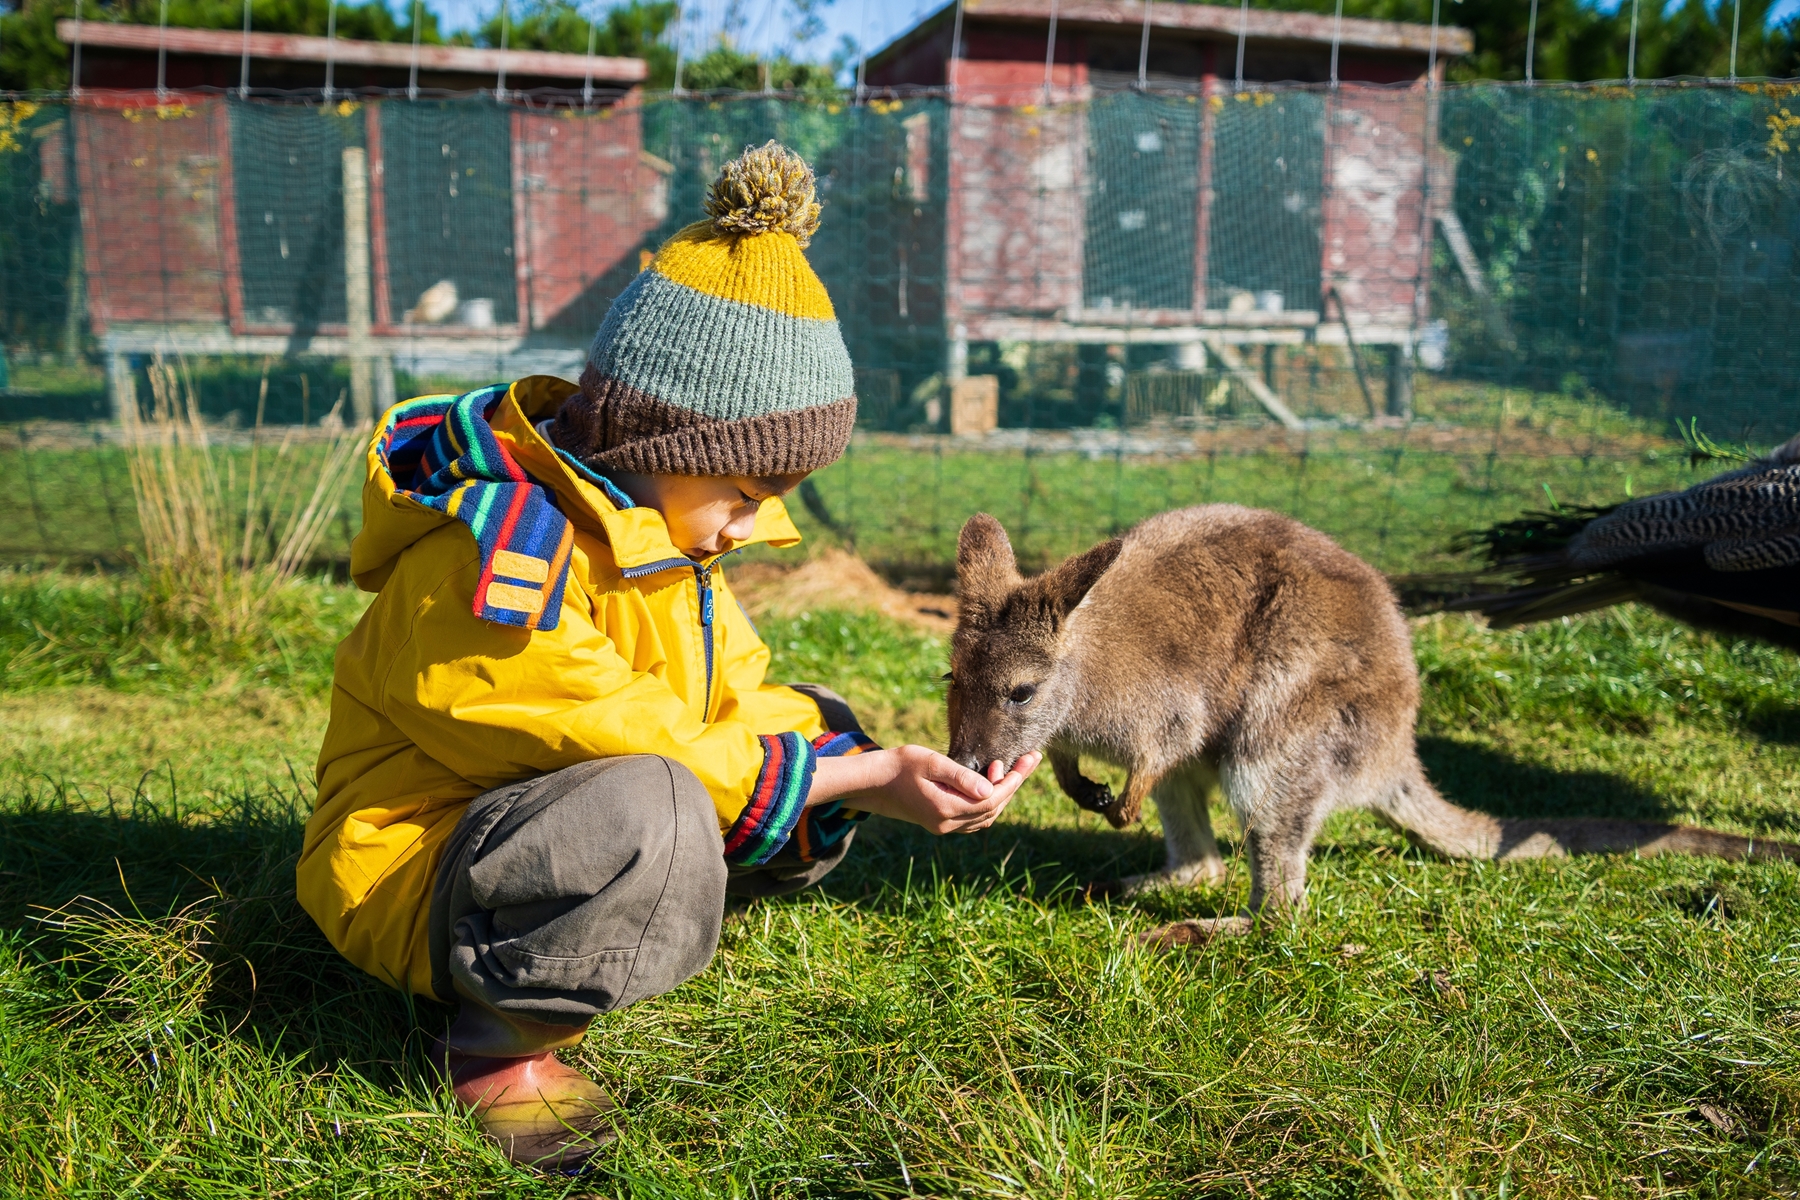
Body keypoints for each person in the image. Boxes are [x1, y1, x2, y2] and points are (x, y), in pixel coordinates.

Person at [296, 141, 1042, 1171]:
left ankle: (617, 926)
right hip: (416, 872)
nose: (751, 524)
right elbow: (612, 726)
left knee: (807, 720)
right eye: (744, 492)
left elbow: (734, 698)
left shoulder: (663, 542)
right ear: (653, 442)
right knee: (654, 802)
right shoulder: (500, 553)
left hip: (526, 829)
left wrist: (873, 765)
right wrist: (846, 777)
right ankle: (501, 1045)